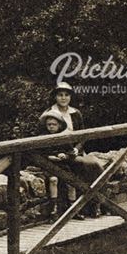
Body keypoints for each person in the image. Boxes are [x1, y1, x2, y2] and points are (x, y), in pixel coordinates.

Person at [44, 82, 106, 218]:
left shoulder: (75, 113)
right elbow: (43, 138)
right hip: (58, 153)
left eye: (67, 95)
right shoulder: (49, 114)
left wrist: (77, 149)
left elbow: (83, 136)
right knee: (85, 166)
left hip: (73, 151)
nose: (63, 98)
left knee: (95, 166)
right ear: (55, 97)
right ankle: (79, 207)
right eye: (60, 95)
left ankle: (97, 203)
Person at [38, 109, 84, 221]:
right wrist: (49, 157)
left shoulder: (64, 138)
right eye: (49, 125)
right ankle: (54, 209)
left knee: (71, 182)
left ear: (59, 125)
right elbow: (38, 154)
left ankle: (73, 209)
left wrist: (65, 155)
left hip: (63, 166)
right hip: (49, 165)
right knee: (53, 180)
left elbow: (71, 152)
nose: (51, 127)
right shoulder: (42, 138)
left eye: (54, 124)